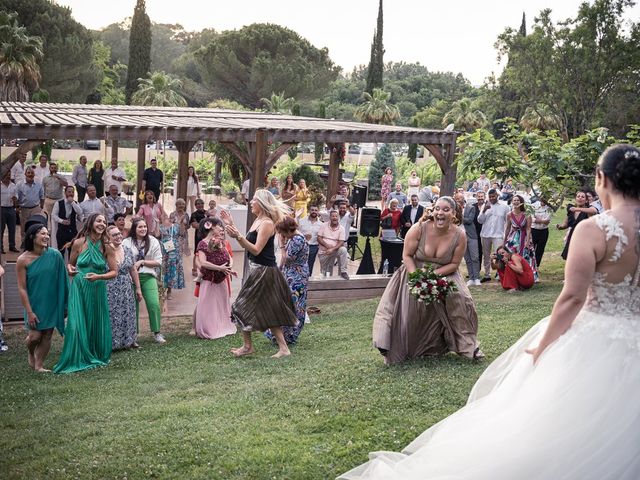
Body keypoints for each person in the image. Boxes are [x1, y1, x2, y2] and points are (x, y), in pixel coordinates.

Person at [339, 143, 640, 480]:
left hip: (595, 338)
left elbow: (572, 298)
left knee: (561, 424)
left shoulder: (594, 228)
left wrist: (544, 347)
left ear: (602, 179)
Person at [370, 196, 482, 365]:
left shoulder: (460, 235)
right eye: (437, 208)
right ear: (432, 210)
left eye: (446, 210)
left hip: (445, 272)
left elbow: (454, 264)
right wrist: (417, 278)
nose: (440, 213)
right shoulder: (419, 228)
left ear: (454, 214)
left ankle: (469, 346)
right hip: (414, 270)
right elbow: (406, 256)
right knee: (410, 311)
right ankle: (393, 344)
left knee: (461, 299)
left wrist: (433, 277)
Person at [222, 189, 298, 358]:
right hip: (258, 270)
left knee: (240, 306)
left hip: (265, 272)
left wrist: (238, 236)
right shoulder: (258, 220)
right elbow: (246, 243)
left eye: (254, 200)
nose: (250, 202)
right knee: (269, 309)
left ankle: (250, 346)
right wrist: (232, 225)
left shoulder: (267, 224)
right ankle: (278, 348)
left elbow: (256, 250)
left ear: (262, 203)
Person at [53, 213, 117, 374]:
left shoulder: (107, 246)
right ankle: (77, 354)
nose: (102, 224)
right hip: (79, 287)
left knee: (95, 320)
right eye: (99, 221)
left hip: (97, 287)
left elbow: (114, 272)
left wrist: (99, 277)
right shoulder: (78, 243)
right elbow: (70, 264)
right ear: (91, 223)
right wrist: (70, 269)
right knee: (76, 322)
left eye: (104, 222)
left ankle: (95, 352)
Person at [16, 224, 68, 371]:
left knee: (47, 335)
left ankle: (39, 366)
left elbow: (63, 279)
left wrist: (64, 304)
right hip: (34, 304)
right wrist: (30, 311)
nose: (46, 237)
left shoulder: (55, 255)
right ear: (32, 236)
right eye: (42, 234)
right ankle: (30, 351)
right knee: (34, 336)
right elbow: (22, 287)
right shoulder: (22, 260)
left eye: (47, 234)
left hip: (52, 302)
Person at [265, 216, 309, 345]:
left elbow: (288, 258)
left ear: (287, 230)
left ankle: (288, 335)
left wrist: (282, 245)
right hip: (292, 274)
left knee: (292, 305)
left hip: (296, 277)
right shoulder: (294, 237)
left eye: (281, 232)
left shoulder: (297, 240)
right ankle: (281, 334)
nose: (281, 235)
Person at [123, 217, 165, 344]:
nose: (143, 229)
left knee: (154, 304)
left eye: (145, 227)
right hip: (130, 278)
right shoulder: (126, 242)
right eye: (140, 227)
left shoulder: (153, 241)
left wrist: (143, 262)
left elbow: (158, 262)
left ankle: (157, 332)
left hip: (148, 276)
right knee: (132, 307)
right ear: (134, 229)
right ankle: (133, 335)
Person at [194, 219, 237, 340]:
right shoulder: (202, 243)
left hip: (222, 278)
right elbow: (202, 262)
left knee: (222, 303)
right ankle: (209, 328)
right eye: (218, 226)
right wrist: (219, 268)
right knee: (209, 305)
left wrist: (229, 268)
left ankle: (223, 325)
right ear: (211, 227)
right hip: (209, 280)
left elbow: (228, 256)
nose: (220, 228)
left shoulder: (221, 242)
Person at [106, 225, 142, 350]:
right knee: (112, 314)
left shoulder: (127, 249)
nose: (118, 236)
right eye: (114, 235)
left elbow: (133, 269)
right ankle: (111, 343)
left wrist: (138, 288)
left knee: (128, 312)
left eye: (119, 233)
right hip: (110, 286)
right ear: (108, 237)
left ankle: (129, 340)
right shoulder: (105, 250)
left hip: (126, 285)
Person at [503, 194, 538, 281]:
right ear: (512, 202)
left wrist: (527, 240)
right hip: (513, 237)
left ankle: (529, 275)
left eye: (518, 200)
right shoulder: (509, 215)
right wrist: (504, 240)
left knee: (527, 255)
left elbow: (528, 228)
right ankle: (511, 275)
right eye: (514, 200)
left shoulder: (526, 214)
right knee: (512, 255)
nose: (516, 202)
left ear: (521, 202)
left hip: (524, 236)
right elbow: (507, 228)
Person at [478, 188, 510, 282]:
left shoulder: (504, 207)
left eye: (493, 196)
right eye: (490, 196)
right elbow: (480, 220)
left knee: (499, 255)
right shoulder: (485, 205)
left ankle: (499, 274)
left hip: (498, 234)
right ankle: (487, 274)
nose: (492, 198)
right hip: (485, 234)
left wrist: (506, 234)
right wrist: (484, 210)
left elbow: (508, 222)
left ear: (497, 196)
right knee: (486, 255)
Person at [557, 190, 597, 260]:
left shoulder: (588, 210)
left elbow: (594, 211)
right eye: (578, 196)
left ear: (586, 200)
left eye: (582, 197)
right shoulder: (571, 210)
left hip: (584, 238)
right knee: (571, 258)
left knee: (582, 258)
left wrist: (577, 209)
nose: (580, 198)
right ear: (575, 199)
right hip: (572, 236)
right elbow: (566, 224)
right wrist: (560, 227)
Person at [52, 186, 83, 258]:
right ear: (65, 193)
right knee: (60, 251)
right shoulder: (58, 203)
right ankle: (61, 267)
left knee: (72, 250)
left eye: (72, 192)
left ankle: (71, 267)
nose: (71, 193)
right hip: (61, 231)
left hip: (72, 231)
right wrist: (62, 221)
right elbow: (54, 215)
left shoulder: (75, 203)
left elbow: (80, 212)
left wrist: (72, 202)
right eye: (69, 192)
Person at [317, 210, 349, 279]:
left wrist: (332, 249)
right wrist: (327, 246)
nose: (334, 218)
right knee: (325, 272)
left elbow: (341, 241)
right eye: (333, 216)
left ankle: (343, 271)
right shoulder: (324, 225)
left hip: (335, 250)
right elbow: (319, 238)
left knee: (343, 250)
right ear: (330, 217)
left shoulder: (341, 228)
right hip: (324, 251)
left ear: (338, 217)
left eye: (336, 216)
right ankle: (326, 284)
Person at [159, 215, 185, 300]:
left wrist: (181, 223)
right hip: (164, 249)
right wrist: (156, 223)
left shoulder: (176, 226)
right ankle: (162, 290)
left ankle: (169, 291)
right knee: (163, 269)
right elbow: (156, 234)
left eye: (170, 217)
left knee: (171, 269)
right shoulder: (160, 226)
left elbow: (182, 234)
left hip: (174, 250)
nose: (168, 219)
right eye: (165, 217)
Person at [16, 167, 44, 242]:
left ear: (34, 174)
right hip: (24, 209)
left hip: (35, 208)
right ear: (25, 174)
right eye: (28, 173)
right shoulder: (19, 184)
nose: (30, 174)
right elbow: (16, 197)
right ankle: (24, 242)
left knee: (35, 226)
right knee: (24, 226)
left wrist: (41, 206)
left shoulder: (38, 184)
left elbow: (42, 196)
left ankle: (34, 242)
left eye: (32, 173)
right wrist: (17, 207)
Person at [42, 162, 69, 229]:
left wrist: (59, 178)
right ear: (49, 168)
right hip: (49, 200)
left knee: (59, 215)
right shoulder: (45, 178)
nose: (53, 169)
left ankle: (58, 228)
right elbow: (43, 189)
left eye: (55, 168)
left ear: (56, 168)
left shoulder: (61, 177)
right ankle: (50, 229)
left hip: (58, 199)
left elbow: (66, 184)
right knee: (50, 215)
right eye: (52, 168)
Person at [462, 194, 481, 286]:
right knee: (467, 258)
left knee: (475, 257)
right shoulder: (453, 209)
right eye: (456, 199)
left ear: (463, 199)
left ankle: (477, 278)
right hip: (460, 236)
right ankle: (471, 278)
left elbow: (469, 220)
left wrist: (457, 217)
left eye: (460, 199)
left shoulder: (471, 208)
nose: (458, 200)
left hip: (471, 235)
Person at [298, 205, 322, 275]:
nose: (314, 211)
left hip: (313, 247)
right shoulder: (301, 221)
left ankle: (308, 279)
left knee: (310, 264)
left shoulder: (321, 224)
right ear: (309, 211)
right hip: (302, 246)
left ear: (318, 212)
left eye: (316, 210)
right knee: (301, 263)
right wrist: (303, 236)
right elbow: (297, 233)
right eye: (312, 210)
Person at [1, 171, 19, 253]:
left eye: (9, 174)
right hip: (1, 209)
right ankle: (0, 247)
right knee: (1, 229)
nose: (8, 176)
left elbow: (17, 196)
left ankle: (12, 246)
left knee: (12, 228)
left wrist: (15, 199)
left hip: (11, 209)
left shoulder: (14, 186)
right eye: (6, 174)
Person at [531, 197, 552, 267]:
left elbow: (547, 221)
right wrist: (542, 221)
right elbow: (532, 219)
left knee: (540, 249)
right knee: (531, 248)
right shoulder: (533, 205)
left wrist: (538, 220)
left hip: (544, 231)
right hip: (533, 230)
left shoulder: (549, 208)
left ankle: (536, 266)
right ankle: (530, 265)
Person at [189, 198, 207, 276]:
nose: (200, 205)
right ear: (195, 206)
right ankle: (194, 269)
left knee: (208, 251)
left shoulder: (207, 213)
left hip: (208, 235)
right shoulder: (194, 214)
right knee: (197, 252)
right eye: (198, 204)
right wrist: (206, 225)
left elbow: (213, 222)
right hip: (199, 235)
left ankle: (206, 268)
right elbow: (194, 225)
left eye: (201, 203)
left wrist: (202, 225)